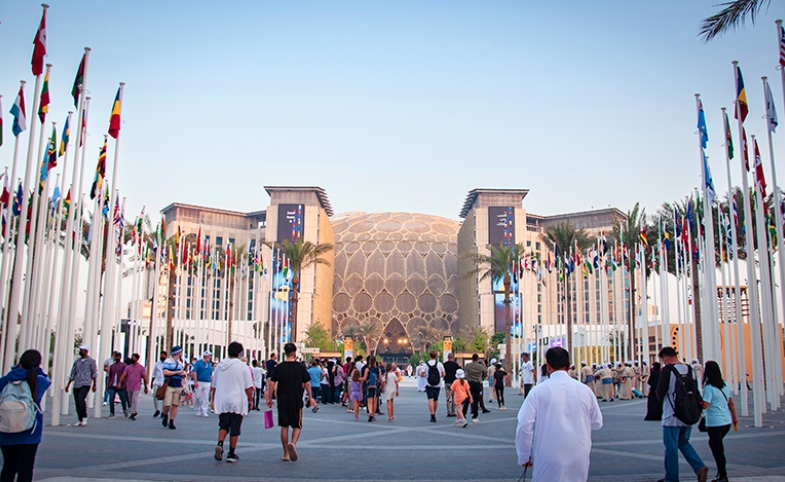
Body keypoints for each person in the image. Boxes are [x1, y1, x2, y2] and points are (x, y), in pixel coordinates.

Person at [516, 347, 603, 482]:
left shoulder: (538, 392)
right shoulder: (585, 391)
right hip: (579, 454)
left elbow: (524, 425)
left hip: (548, 454)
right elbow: (597, 423)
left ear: (548, 366)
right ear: (569, 365)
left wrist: (524, 454)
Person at [656, 347, 709, 482]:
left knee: (671, 447)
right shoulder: (689, 369)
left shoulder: (667, 370)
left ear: (665, 358)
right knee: (684, 442)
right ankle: (699, 467)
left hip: (672, 415)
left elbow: (660, 392)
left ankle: (671, 478)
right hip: (687, 413)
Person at [0, 350, 51, 482]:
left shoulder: (5, 380)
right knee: (26, 469)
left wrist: (16, 370)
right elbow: (47, 378)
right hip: (30, 432)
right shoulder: (38, 381)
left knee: (8, 466)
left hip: (5, 429)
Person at [265, 343, 316, 462]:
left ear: (285, 353)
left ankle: (286, 453)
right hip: (296, 400)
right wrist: (310, 397)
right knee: (297, 426)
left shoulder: (280, 367)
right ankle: (292, 443)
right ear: (294, 352)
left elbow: (271, 383)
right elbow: (307, 383)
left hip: (282, 400)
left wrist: (269, 399)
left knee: (284, 426)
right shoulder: (300, 367)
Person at [212, 342, 254, 463]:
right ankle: (231, 453)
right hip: (237, 399)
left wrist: (213, 399)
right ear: (240, 353)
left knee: (223, 424)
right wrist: (250, 400)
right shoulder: (242, 366)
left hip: (222, 399)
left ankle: (220, 443)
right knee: (235, 427)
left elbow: (214, 385)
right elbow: (248, 386)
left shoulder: (220, 365)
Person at [702, 361, 738, 482]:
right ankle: (721, 473)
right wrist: (734, 418)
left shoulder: (708, 388)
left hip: (714, 423)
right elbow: (731, 403)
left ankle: (723, 475)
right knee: (715, 445)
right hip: (726, 422)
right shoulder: (725, 386)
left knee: (718, 450)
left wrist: (698, 401)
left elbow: (705, 405)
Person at [64, 344, 97, 427]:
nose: (80, 351)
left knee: (81, 399)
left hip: (86, 383)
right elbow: (73, 373)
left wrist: (94, 384)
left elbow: (94, 373)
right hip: (77, 383)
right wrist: (68, 384)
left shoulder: (91, 361)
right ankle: (80, 419)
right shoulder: (77, 361)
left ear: (86, 351)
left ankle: (84, 417)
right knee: (77, 401)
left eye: (82, 350)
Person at [161, 345, 186, 430]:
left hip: (178, 385)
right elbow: (165, 372)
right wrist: (176, 372)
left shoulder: (179, 363)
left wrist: (182, 374)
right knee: (167, 404)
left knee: (175, 404)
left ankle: (171, 421)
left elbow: (180, 373)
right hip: (169, 385)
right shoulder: (168, 361)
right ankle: (165, 414)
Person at [119, 354, 148, 420]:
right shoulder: (128, 367)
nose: (132, 359)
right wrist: (120, 382)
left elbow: (144, 377)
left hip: (137, 385)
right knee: (130, 399)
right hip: (129, 385)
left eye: (134, 358)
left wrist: (146, 387)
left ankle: (133, 412)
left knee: (134, 398)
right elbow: (124, 375)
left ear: (137, 359)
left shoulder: (141, 368)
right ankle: (133, 411)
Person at [420, 350, 445, 423]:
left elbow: (421, 374)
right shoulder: (439, 364)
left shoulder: (426, 365)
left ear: (429, 356)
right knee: (436, 399)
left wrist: (425, 375)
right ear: (436, 356)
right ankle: (435, 412)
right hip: (438, 384)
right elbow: (444, 374)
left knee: (430, 399)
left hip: (429, 384)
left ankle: (432, 414)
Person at [463, 353, 486, 423]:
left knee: (467, 399)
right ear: (477, 359)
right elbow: (485, 371)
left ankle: (463, 413)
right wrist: (483, 363)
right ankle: (475, 415)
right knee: (476, 399)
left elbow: (465, 371)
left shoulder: (467, 366)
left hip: (469, 383)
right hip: (477, 383)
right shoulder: (480, 366)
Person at [105, 352, 128, 419]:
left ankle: (124, 409)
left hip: (121, 385)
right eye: (116, 356)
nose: (116, 358)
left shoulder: (124, 366)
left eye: (118, 356)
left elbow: (126, 376)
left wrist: (124, 384)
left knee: (123, 399)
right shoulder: (112, 366)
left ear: (120, 357)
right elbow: (110, 376)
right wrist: (108, 385)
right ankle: (112, 413)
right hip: (112, 385)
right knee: (111, 399)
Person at [192, 351, 213, 417]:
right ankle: (198, 409)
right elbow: (194, 372)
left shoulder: (209, 364)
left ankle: (205, 410)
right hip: (199, 381)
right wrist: (195, 381)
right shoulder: (198, 363)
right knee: (198, 396)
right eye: (209, 355)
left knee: (205, 397)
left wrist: (212, 383)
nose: (210, 356)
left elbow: (210, 374)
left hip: (207, 382)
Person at [364, 357, 382, 422]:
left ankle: (370, 413)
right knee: (375, 401)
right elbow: (380, 379)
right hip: (376, 386)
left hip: (369, 387)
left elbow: (364, 378)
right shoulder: (378, 369)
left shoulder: (367, 369)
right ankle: (373, 415)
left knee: (369, 401)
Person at [442, 353, 459, 417]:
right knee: (454, 397)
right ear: (453, 357)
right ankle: (453, 411)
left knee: (448, 397)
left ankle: (448, 411)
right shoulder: (455, 365)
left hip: (447, 382)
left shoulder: (444, 365)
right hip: (454, 382)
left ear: (447, 357)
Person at [151, 351, 167, 417]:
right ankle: (157, 409)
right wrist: (152, 382)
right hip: (157, 382)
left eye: (163, 356)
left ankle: (163, 411)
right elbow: (154, 374)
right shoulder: (157, 364)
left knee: (164, 397)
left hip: (164, 383)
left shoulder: (168, 364)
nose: (162, 357)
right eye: (161, 355)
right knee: (155, 395)